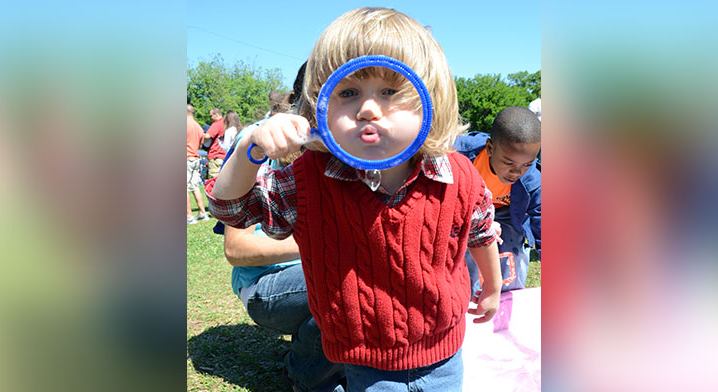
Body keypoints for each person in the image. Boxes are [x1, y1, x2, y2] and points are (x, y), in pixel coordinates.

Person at [207, 7, 501, 391]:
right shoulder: (306, 178)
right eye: (347, 92)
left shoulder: (459, 174)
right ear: (320, 107)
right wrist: (250, 147)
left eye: (390, 90)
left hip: (444, 351)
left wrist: (492, 285)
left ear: (431, 97)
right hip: (365, 361)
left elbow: (480, 232)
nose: (367, 108)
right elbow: (232, 209)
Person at [214, 63, 346, 392]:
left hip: (315, 273)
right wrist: (329, 243)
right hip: (266, 286)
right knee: (347, 274)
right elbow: (236, 249)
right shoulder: (266, 143)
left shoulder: (354, 146)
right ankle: (306, 375)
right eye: (347, 94)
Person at [454, 106, 541, 292]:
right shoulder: (460, 158)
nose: (517, 172)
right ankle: (470, 300)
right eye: (509, 163)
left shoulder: (532, 178)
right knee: (470, 259)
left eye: (527, 164)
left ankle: (509, 302)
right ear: (490, 149)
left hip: (507, 214)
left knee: (511, 258)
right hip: (467, 212)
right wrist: (477, 223)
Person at [187, 104, 209, 224]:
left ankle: (189, 216)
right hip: (195, 158)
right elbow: (201, 145)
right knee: (195, 187)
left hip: (186, 157)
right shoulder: (198, 127)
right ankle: (202, 213)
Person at [202, 108, 226, 179]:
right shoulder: (227, 123)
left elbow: (207, 136)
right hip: (224, 156)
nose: (210, 118)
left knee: (213, 182)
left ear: (216, 114)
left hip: (215, 156)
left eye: (211, 116)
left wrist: (200, 142)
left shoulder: (217, 123)